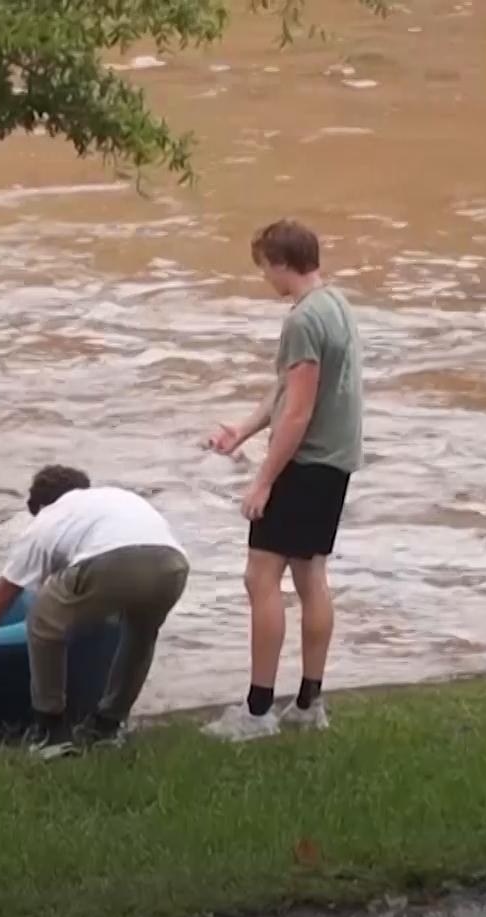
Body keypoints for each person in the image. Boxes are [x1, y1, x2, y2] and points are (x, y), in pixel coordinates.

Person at [203, 219, 365, 740]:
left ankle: (256, 712)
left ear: (278, 263)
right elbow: (286, 391)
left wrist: (264, 481)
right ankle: (308, 704)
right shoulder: (336, 306)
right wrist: (243, 432)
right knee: (310, 576)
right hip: (336, 461)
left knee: (260, 577)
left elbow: (297, 412)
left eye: (264, 267)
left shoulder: (300, 322)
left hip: (304, 462)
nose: (265, 278)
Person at [0, 465, 191, 753]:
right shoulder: (109, 499)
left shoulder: (45, 520)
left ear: (39, 506)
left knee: (42, 621)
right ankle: (108, 726)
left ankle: (50, 732)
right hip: (173, 564)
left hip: (111, 562)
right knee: (140, 635)